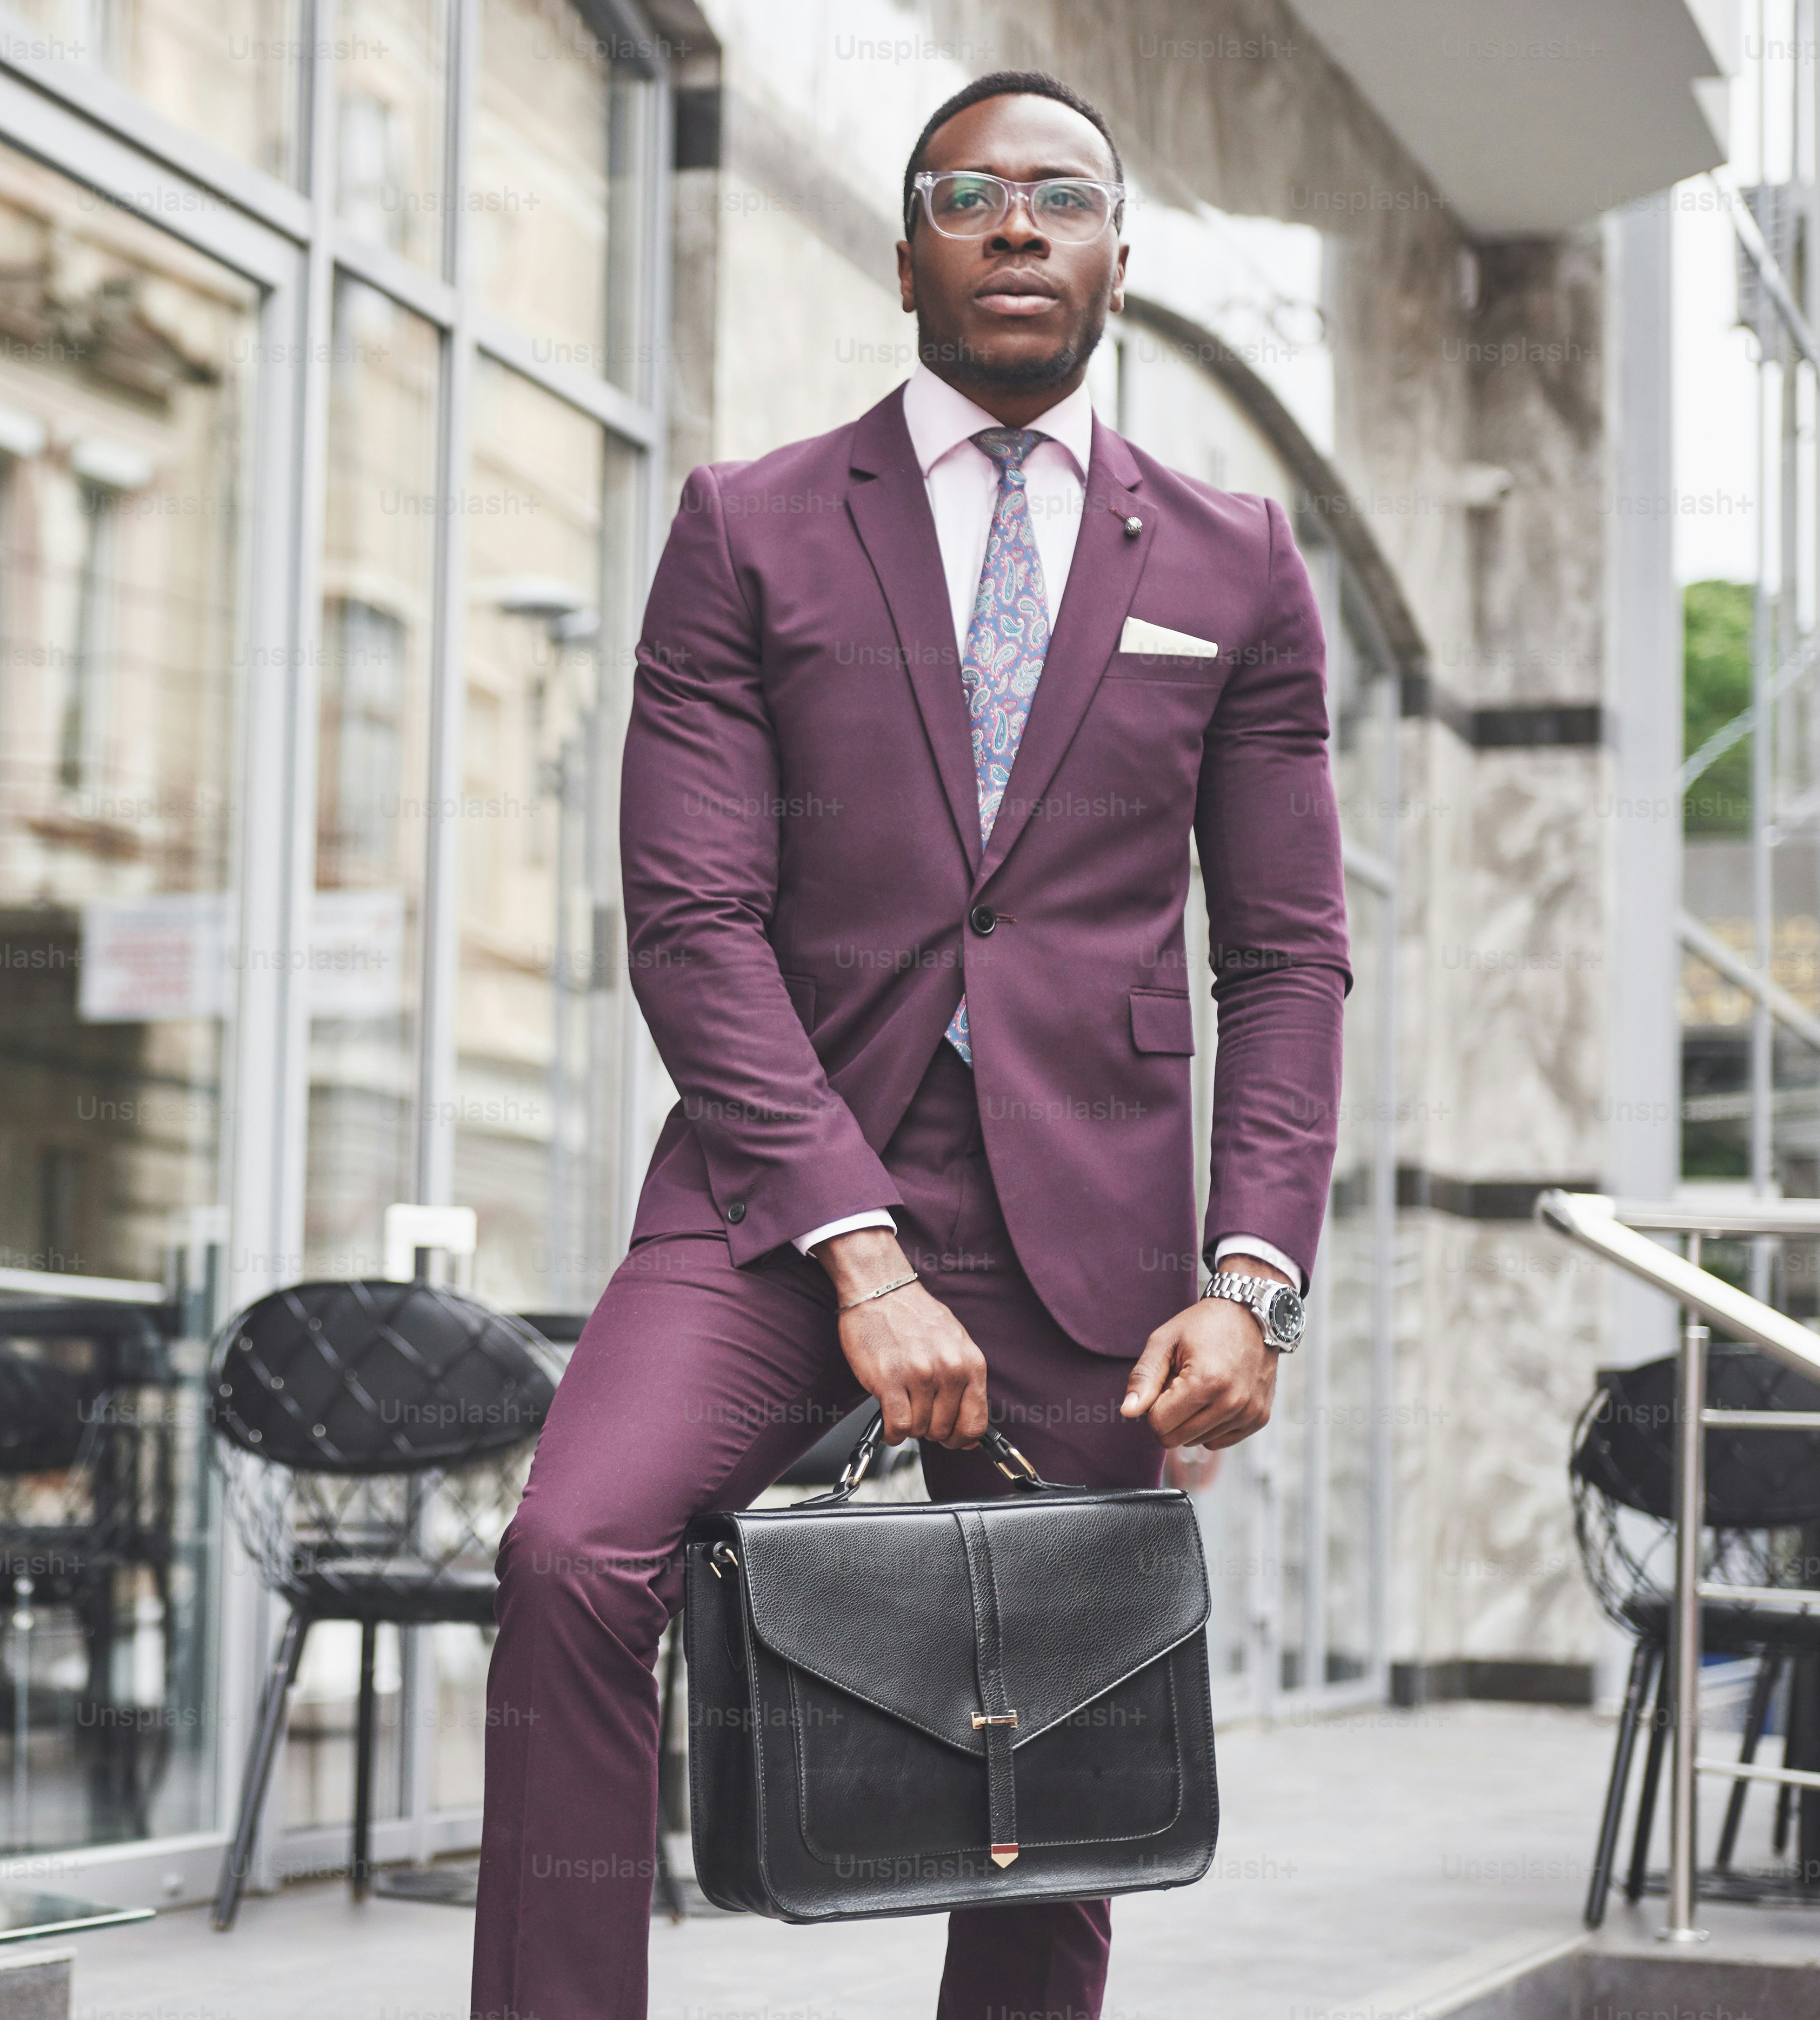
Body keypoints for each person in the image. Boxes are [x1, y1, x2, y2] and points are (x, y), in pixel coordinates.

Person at [469, 71, 1348, 2020]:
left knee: (1061, 1692)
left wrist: (1253, 1276)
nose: (1018, 227)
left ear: (1121, 254)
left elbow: (1285, 957)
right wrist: (856, 1249)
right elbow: (691, 923)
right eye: (971, 196)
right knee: (572, 1552)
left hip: (1096, 1233)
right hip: (776, 1188)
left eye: (1061, 199)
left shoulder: (1234, 563)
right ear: (905, 257)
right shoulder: (750, 528)